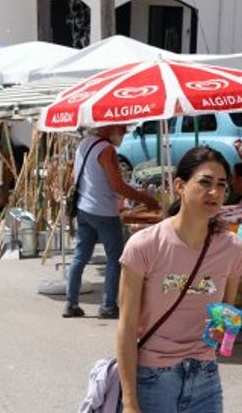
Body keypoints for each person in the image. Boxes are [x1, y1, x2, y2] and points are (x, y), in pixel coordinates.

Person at [117, 146, 242, 413]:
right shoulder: (144, 246)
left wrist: (224, 329)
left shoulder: (231, 249)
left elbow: (227, 309)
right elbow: (126, 329)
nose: (215, 193)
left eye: (221, 185)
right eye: (205, 183)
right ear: (180, 186)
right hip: (154, 379)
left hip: (206, 378)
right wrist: (129, 402)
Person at [64, 124, 159, 319]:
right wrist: (146, 199)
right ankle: (108, 306)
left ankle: (70, 303)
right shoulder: (107, 150)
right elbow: (118, 186)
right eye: (122, 129)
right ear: (111, 127)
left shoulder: (84, 144)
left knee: (80, 256)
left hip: (84, 208)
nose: (124, 133)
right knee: (115, 259)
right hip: (104, 212)